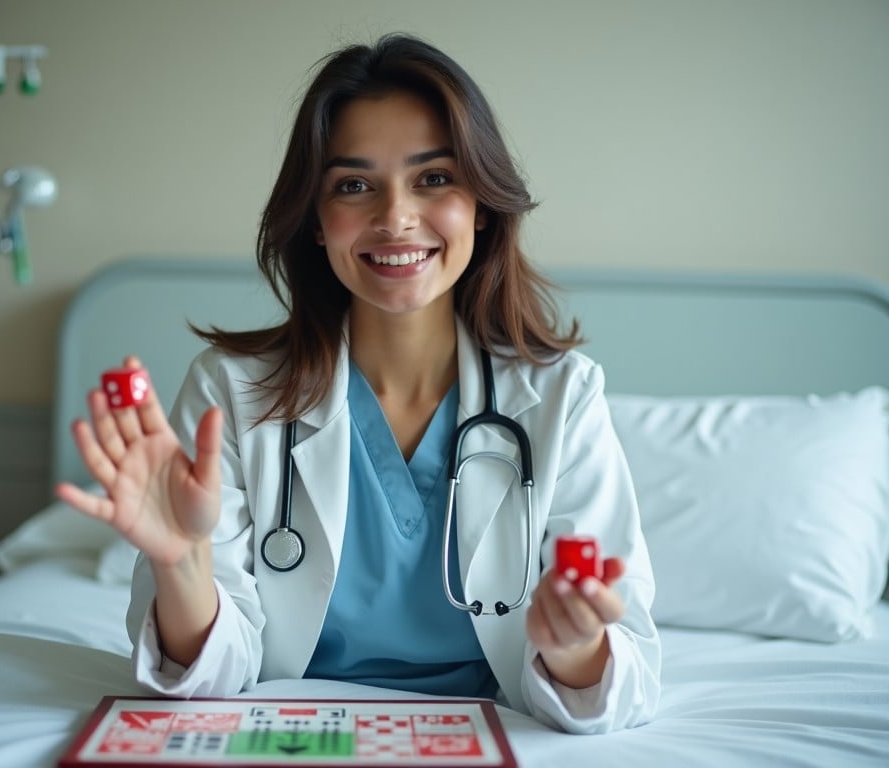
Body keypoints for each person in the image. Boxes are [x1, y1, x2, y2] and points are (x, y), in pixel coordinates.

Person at [57, 33, 660, 734]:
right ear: (315, 219)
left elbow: (628, 678)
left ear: (483, 205)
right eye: (353, 185)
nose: (395, 217)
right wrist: (180, 563)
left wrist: (575, 644)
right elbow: (207, 679)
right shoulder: (232, 391)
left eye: (433, 178)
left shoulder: (561, 397)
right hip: (288, 736)